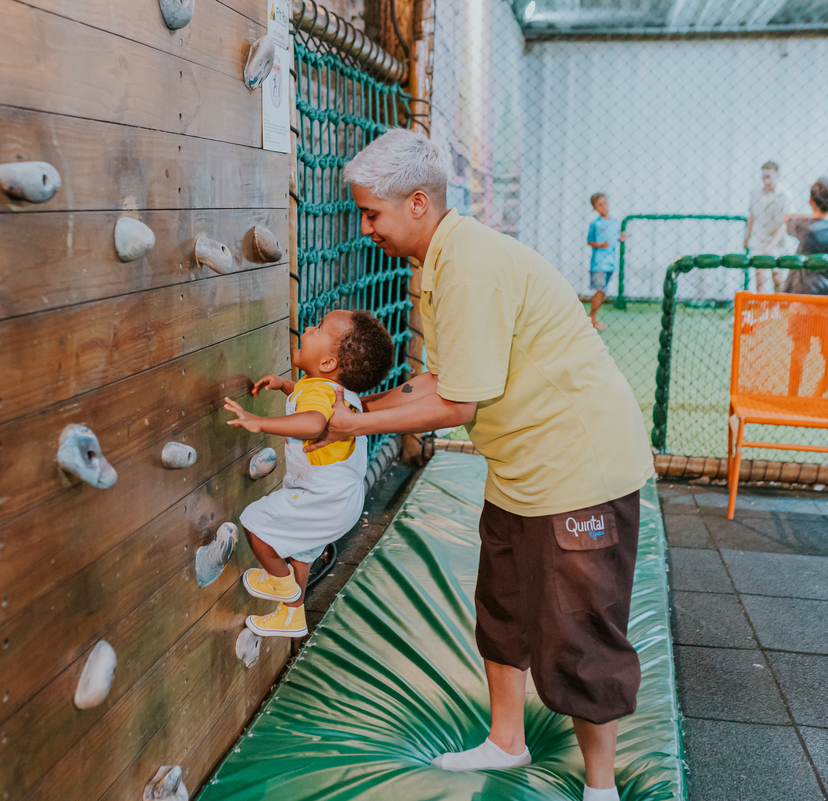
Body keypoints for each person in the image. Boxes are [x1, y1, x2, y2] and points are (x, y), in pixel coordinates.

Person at [311, 129, 653, 801]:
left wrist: (356, 420)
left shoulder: (467, 265)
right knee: (504, 605)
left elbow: (457, 402)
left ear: (416, 203)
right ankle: (506, 741)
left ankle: (603, 788)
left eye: (371, 213)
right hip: (523, 465)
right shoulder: (440, 261)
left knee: (580, 630)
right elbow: (439, 377)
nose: (364, 227)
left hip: (579, 465)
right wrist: (354, 403)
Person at [223, 309, 394, 638]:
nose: (309, 329)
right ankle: (291, 615)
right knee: (301, 556)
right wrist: (286, 386)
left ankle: (284, 588)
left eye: (318, 329)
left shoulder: (319, 392)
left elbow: (313, 422)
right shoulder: (333, 390)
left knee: (255, 524)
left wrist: (260, 422)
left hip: (323, 498)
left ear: (328, 364)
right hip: (342, 500)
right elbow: (310, 404)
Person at [782, 177, 828, 295]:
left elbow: (787, 218)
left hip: (803, 288)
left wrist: (812, 216)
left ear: (811, 201)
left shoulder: (804, 225)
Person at [744, 161, 792, 292]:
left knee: (777, 277)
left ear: (777, 175)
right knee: (760, 278)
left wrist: (772, 246)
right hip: (759, 238)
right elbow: (751, 217)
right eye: (763, 177)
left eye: (769, 177)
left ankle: (779, 306)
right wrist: (746, 237)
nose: (766, 181)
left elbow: (784, 223)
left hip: (777, 240)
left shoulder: (784, 195)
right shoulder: (755, 194)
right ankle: (762, 310)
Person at [586, 193, 626, 329]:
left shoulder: (614, 222)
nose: (603, 206)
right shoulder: (595, 224)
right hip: (599, 263)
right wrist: (600, 245)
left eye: (605, 202)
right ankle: (591, 318)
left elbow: (615, 238)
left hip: (611, 262)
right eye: (599, 204)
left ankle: (593, 317)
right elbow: (589, 241)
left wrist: (621, 237)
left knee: (603, 292)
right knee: (599, 291)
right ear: (595, 208)